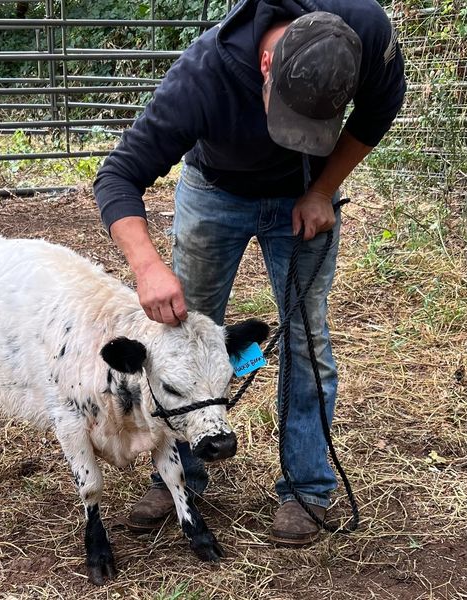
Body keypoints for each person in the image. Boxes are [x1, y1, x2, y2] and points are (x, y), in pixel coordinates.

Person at [93, 0, 405, 546]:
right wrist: (147, 267)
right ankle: (179, 478)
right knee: (181, 339)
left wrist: (322, 190)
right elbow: (118, 176)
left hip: (303, 194)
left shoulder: (366, 31)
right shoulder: (203, 76)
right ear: (266, 66)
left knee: (306, 340)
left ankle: (307, 489)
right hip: (216, 192)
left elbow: (380, 110)